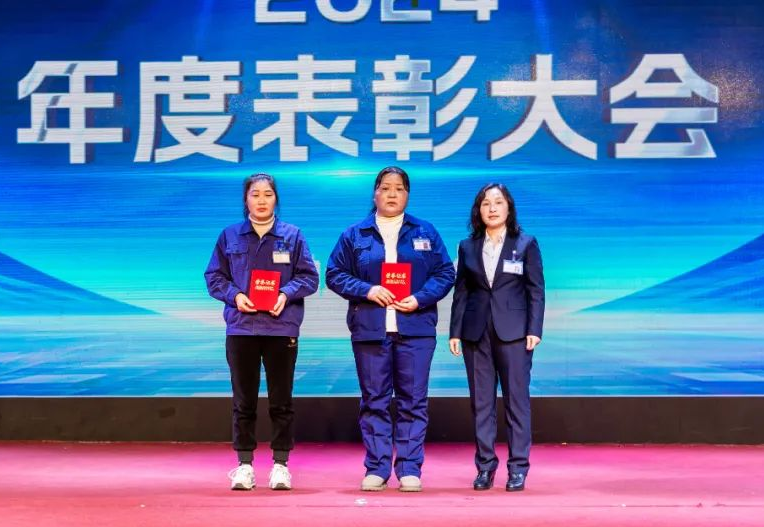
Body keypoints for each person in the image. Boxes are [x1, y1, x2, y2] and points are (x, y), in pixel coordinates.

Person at [326, 166, 455, 492]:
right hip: (371, 330)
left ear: (407, 195)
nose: (392, 194)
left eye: (399, 188)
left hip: (416, 329)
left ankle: (409, 468)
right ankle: (377, 467)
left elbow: (445, 273)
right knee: (375, 401)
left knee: (413, 400)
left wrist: (420, 298)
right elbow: (334, 274)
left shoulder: (425, 231)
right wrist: (367, 290)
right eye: (385, 188)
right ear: (375, 194)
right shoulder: (355, 234)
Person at [204, 173, 319, 491]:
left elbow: (309, 277)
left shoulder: (292, 235)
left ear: (276, 199)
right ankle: (244, 465)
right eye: (255, 194)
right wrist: (235, 296)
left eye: (268, 194)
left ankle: (281, 464)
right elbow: (214, 277)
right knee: (244, 400)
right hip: (241, 328)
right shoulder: (229, 236)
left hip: (281, 328)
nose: (262, 200)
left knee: (282, 400)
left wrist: (285, 294)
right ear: (246, 200)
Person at [448, 183, 545, 491]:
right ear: (478, 210)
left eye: (498, 202)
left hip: (515, 333)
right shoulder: (467, 246)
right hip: (475, 332)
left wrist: (534, 329)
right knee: (481, 403)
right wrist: (455, 331)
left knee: (517, 401)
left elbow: (535, 290)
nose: (492, 208)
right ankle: (485, 466)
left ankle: (518, 467)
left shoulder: (525, 243)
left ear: (508, 208)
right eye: (486, 203)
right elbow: (462, 291)